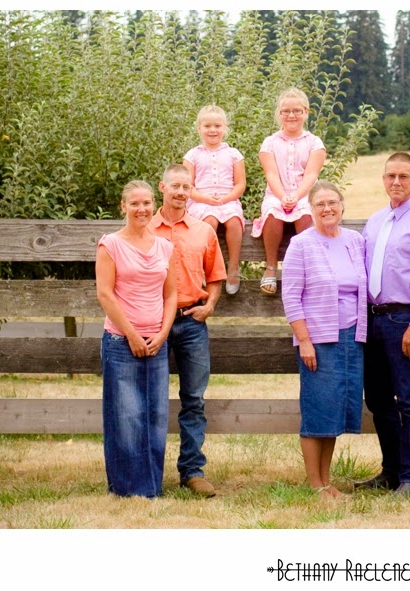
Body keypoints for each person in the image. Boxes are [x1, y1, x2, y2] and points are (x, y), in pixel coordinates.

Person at [356, 152, 410, 495]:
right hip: (373, 319)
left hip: (403, 319)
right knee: (378, 399)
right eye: (390, 176)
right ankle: (391, 471)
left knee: (408, 399)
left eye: (403, 176)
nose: (396, 182)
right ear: (383, 179)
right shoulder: (376, 222)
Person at [281, 180, 368, 498]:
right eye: (320, 204)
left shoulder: (355, 240)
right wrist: (304, 340)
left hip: (352, 337)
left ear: (342, 206)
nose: (327, 209)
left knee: (335, 409)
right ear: (311, 209)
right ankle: (315, 484)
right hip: (318, 339)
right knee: (317, 408)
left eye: (332, 202)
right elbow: (291, 297)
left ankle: (327, 481)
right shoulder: (301, 244)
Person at [149, 163, 227, 498]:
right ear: (162, 187)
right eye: (175, 186)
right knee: (152, 399)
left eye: (186, 187)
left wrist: (209, 306)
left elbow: (216, 275)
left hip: (192, 322)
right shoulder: (145, 229)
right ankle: (149, 472)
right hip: (153, 322)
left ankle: (192, 471)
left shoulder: (203, 231)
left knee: (194, 399)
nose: (181, 192)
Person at [96, 180, 177, 498]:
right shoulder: (110, 245)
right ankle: (127, 488)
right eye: (134, 204)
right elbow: (105, 294)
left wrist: (163, 333)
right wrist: (131, 334)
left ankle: (151, 487)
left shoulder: (164, 247)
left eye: (146, 203)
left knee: (156, 415)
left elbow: (171, 295)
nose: (141, 209)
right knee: (126, 416)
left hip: (156, 342)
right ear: (123, 207)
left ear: (154, 205)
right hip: (121, 341)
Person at [252, 88, 326, 296]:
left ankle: (304, 268)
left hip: (305, 193)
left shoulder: (314, 143)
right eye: (286, 111)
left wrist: (297, 196)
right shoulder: (270, 142)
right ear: (279, 113)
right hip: (277, 193)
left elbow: (311, 174)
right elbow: (271, 174)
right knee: (273, 213)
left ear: (306, 112)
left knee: (305, 214)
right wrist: (283, 196)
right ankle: (271, 265)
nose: (291, 115)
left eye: (296, 111)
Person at [183, 105, 246, 295]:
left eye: (217, 126)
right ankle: (206, 267)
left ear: (225, 128)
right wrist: (205, 199)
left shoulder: (234, 154)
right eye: (207, 126)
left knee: (234, 222)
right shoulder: (192, 155)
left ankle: (233, 267)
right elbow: (187, 186)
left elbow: (240, 184)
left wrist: (226, 198)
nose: (212, 130)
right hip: (201, 200)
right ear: (199, 128)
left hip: (228, 199)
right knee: (209, 221)